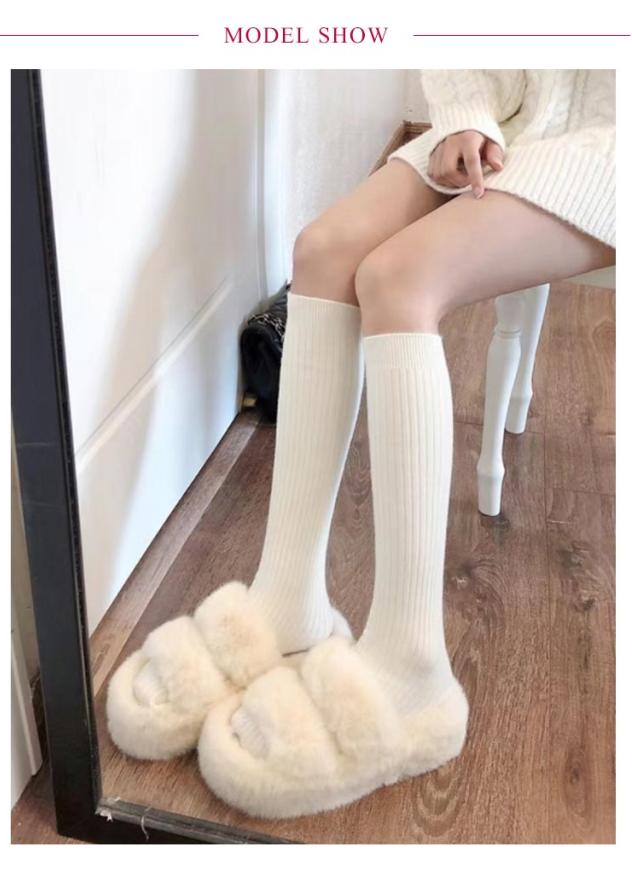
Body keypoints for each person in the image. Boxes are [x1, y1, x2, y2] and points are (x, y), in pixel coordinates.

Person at [107, 69, 615, 819]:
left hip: (609, 139)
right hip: (512, 120)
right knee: (322, 251)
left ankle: (414, 667)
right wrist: (468, 112)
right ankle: (286, 601)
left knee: (399, 278)